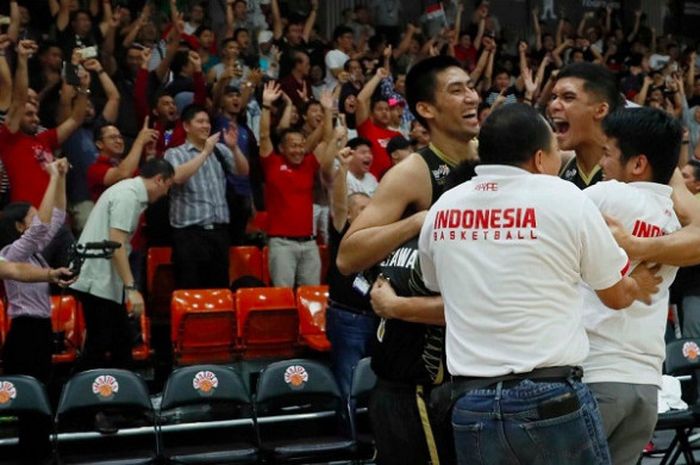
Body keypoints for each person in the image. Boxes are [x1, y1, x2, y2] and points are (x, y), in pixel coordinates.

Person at [418, 103, 659, 465]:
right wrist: (636, 284)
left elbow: (434, 283)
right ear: (538, 158)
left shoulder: (443, 207)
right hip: (550, 398)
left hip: (471, 401)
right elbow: (614, 294)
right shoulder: (563, 197)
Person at [582, 107, 681, 465]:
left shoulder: (609, 196)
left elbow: (548, 216)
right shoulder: (674, 219)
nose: (601, 163)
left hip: (596, 375)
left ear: (637, 164)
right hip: (645, 387)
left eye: (607, 153)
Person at [338, 55, 479, 276]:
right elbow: (347, 257)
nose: (472, 98)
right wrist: (416, 222)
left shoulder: (497, 154)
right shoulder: (412, 173)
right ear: (426, 109)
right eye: (457, 90)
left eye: (471, 88)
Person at [71, 158, 174, 370]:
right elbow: (116, 244)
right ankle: (82, 395)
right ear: (159, 180)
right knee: (101, 343)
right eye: (168, 186)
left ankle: (123, 394)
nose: (166, 193)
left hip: (102, 278)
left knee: (119, 340)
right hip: (97, 278)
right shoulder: (128, 196)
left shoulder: (129, 191)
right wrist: (131, 289)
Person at [0, 158, 71, 463]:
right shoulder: (11, 252)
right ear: (18, 226)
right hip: (25, 331)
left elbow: (57, 217)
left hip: (40, 330)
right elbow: (41, 227)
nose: (36, 220)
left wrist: (63, 178)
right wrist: (52, 176)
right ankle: (30, 456)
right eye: (30, 217)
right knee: (29, 401)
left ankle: (40, 452)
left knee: (41, 397)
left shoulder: (36, 255)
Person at [259, 81, 338, 287]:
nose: (298, 150)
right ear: (282, 148)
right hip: (281, 243)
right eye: (293, 146)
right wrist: (266, 105)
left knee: (311, 299)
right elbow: (264, 135)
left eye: (302, 145)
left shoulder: (309, 164)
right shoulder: (271, 163)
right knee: (283, 297)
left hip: (309, 243)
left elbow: (327, 140)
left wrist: (328, 110)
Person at [164, 104, 249, 289]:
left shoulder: (220, 150)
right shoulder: (175, 153)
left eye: (207, 122)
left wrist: (234, 149)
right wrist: (204, 153)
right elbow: (177, 177)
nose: (205, 126)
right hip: (189, 234)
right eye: (200, 122)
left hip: (219, 233)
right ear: (186, 126)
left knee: (219, 290)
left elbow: (243, 171)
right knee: (190, 289)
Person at [549, 62, 623, 190]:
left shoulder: (628, 169)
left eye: (568, 97)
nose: (553, 105)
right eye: (554, 97)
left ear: (600, 110)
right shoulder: (558, 164)